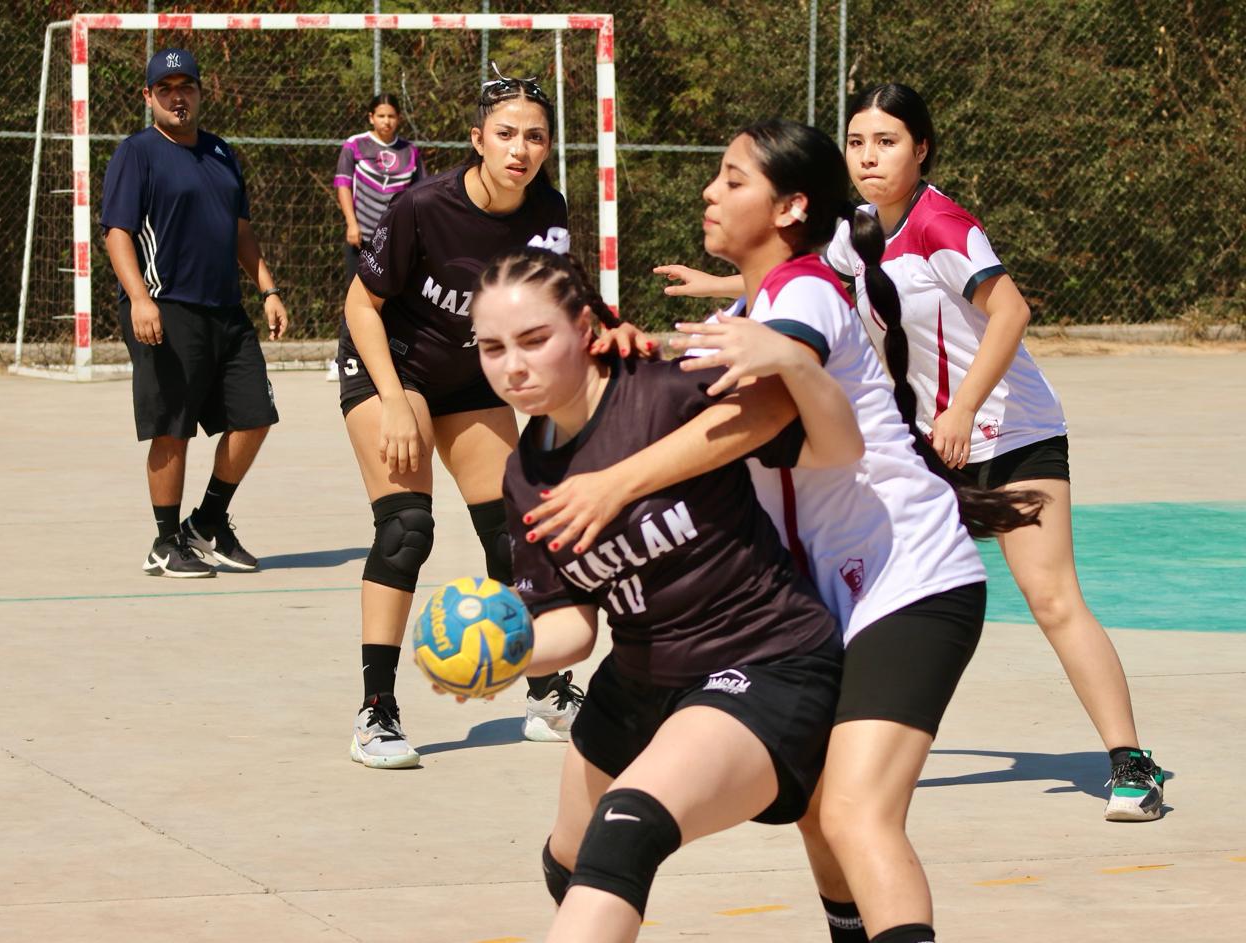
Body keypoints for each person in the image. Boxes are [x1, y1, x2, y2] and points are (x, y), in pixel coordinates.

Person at [519, 120, 1048, 943]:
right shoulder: (753, 302)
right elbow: (691, 389)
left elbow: (759, 410)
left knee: (854, 811)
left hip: (911, 580)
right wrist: (623, 352)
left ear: (792, 205)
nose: (710, 191)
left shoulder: (801, 291)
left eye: (733, 180)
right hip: (826, 594)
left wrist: (613, 480)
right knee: (816, 810)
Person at [653, 84, 1165, 825]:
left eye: (887, 141)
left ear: (920, 149)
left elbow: (1011, 309)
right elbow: (803, 277)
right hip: (928, 441)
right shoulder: (852, 231)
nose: (869, 156)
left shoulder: (939, 222)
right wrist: (722, 283)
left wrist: (962, 409)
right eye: (858, 141)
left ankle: (1130, 761)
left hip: (1010, 431)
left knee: (1052, 597)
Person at [471, 242, 856, 943]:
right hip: (643, 672)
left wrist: (622, 480)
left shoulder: (661, 388)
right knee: (569, 858)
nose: (513, 366)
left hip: (763, 657)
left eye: (533, 339)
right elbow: (572, 626)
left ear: (586, 329)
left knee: (629, 825)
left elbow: (772, 408)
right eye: (491, 348)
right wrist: (506, 651)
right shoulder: (525, 475)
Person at [340, 69, 580, 769]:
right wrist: (391, 400)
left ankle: (543, 692)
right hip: (394, 366)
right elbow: (362, 307)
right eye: (506, 134)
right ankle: (375, 712)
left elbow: (546, 308)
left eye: (536, 136)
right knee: (408, 528)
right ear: (478, 140)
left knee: (515, 532)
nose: (521, 148)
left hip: (471, 380)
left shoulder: (548, 210)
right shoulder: (423, 205)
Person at [101, 48, 287, 579]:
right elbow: (118, 232)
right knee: (172, 428)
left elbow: (240, 232)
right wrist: (139, 298)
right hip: (166, 306)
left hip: (225, 309)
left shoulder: (221, 152)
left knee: (255, 417)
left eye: (186, 87)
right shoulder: (137, 153)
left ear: (202, 93)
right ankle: (165, 542)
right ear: (149, 97)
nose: (177, 97)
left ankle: (207, 522)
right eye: (166, 89)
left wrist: (268, 289)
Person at [327, 94, 423, 382]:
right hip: (363, 236)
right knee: (355, 297)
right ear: (371, 117)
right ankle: (343, 359)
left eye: (391, 116)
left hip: (396, 241)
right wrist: (351, 223)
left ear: (398, 119)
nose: (386, 121)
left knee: (395, 300)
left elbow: (418, 195)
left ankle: (390, 356)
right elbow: (343, 185)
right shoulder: (354, 146)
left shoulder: (410, 151)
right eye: (380, 116)